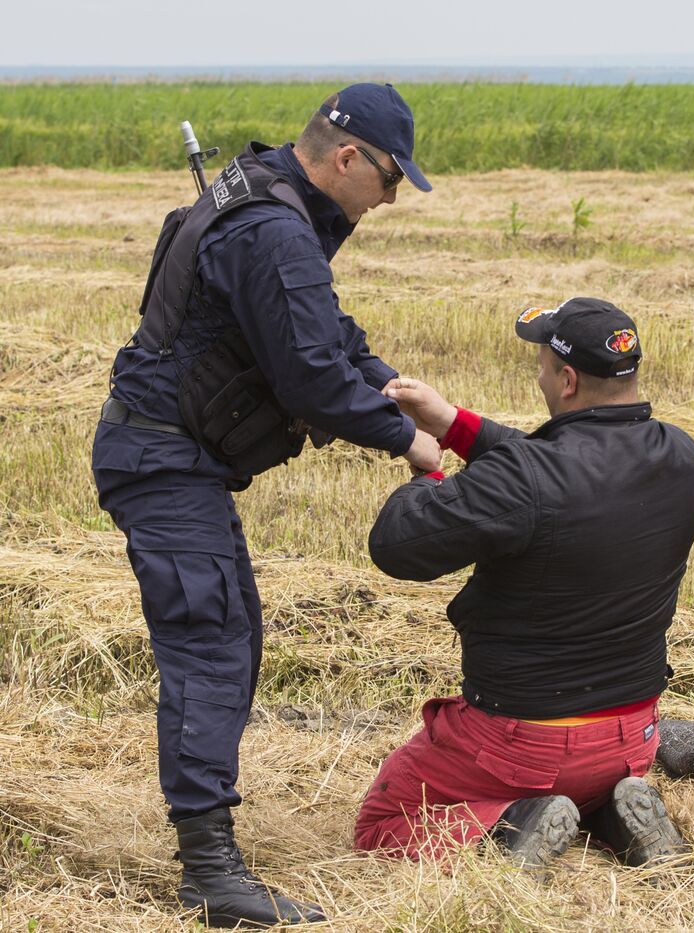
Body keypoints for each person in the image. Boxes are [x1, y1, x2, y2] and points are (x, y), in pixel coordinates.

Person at [91, 83, 441, 926]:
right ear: (347, 157)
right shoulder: (275, 229)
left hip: (179, 456)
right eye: (391, 180)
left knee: (234, 632)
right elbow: (312, 378)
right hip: (162, 458)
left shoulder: (266, 197)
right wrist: (407, 441)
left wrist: (401, 390)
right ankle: (210, 873)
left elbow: (325, 333)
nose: (391, 199)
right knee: (211, 645)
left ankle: (208, 842)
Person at [354, 298, 694, 869]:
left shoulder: (531, 477)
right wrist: (453, 422)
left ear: (566, 381)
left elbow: (397, 547)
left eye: (541, 364)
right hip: (632, 739)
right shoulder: (682, 455)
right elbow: (559, 470)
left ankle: (506, 827)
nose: (538, 374)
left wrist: (427, 466)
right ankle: (611, 813)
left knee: (383, 824)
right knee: (591, 773)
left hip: (522, 743)